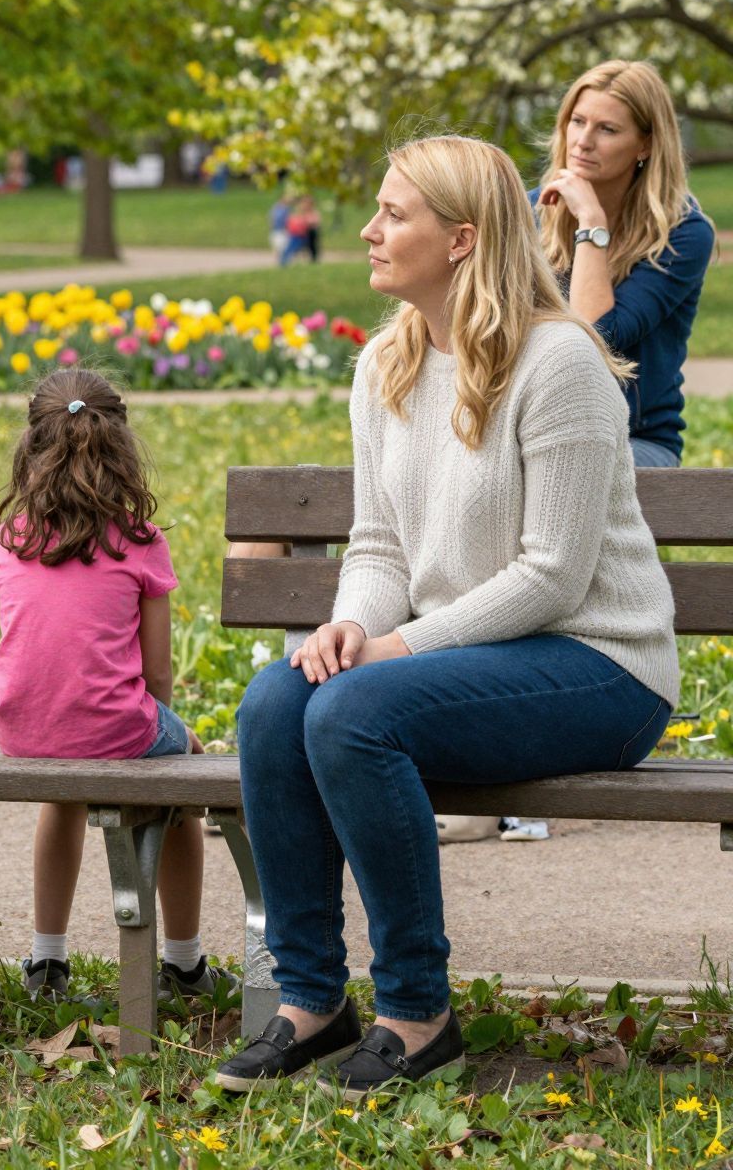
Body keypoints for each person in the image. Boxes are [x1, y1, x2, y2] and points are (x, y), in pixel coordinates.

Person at [217, 134, 677, 1102]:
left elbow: (554, 574)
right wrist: (351, 625)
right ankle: (307, 999)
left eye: (395, 213)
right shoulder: (386, 362)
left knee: (353, 710)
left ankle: (418, 1013)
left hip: (601, 663)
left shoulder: (559, 362)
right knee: (275, 700)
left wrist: (396, 647)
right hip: (472, 662)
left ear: (462, 237)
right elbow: (380, 544)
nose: (370, 229)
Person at [0, 366, 223, 1006]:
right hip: (114, 725)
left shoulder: (12, 535)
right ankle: (185, 963)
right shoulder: (140, 540)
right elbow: (158, 671)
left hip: (19, 727)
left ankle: (46, 961)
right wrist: (165, 732)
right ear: (121, 451)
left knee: (62, 795)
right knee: (184, 782)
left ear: (32, 448)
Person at [533, 58, 715, 466]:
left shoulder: (682, 234)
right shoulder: (532, 213)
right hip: (535, 427)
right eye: (577, 121)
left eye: (607, 129)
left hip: (635, 440)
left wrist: (590, 224)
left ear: (646, 144)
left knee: (575, 467)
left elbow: (596, 335)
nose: (582, 141)